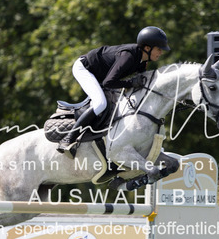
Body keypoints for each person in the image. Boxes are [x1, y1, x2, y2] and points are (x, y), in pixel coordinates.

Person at [57, 26, 170, 157]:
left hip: (101, 75)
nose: (161, 52)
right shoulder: (128, 56)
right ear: (147, 48)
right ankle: (68, 139)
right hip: (84, 69)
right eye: (158, 49)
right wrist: (130, 83)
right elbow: (108, 82)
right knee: (100, 103)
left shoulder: (142, 61)